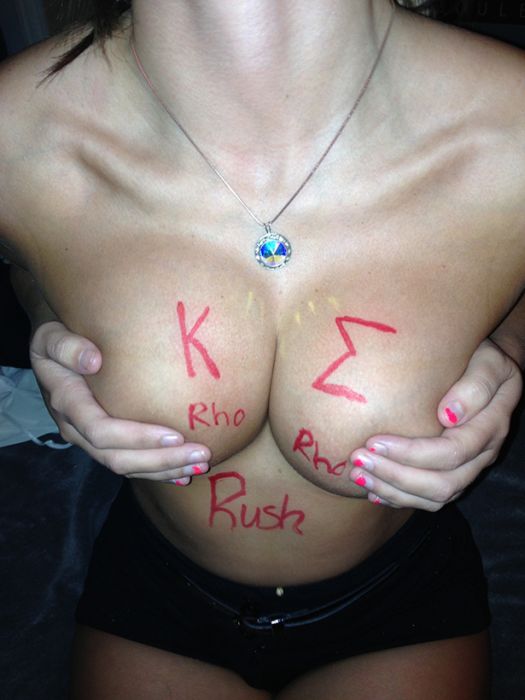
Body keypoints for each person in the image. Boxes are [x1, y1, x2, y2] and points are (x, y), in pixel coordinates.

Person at [1, 1, 524, 697]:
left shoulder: (512, 126)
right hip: (157, 589)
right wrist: (47, 320)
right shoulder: (15, 129)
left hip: (401, 597)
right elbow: (23, 260)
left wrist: (509, 343)